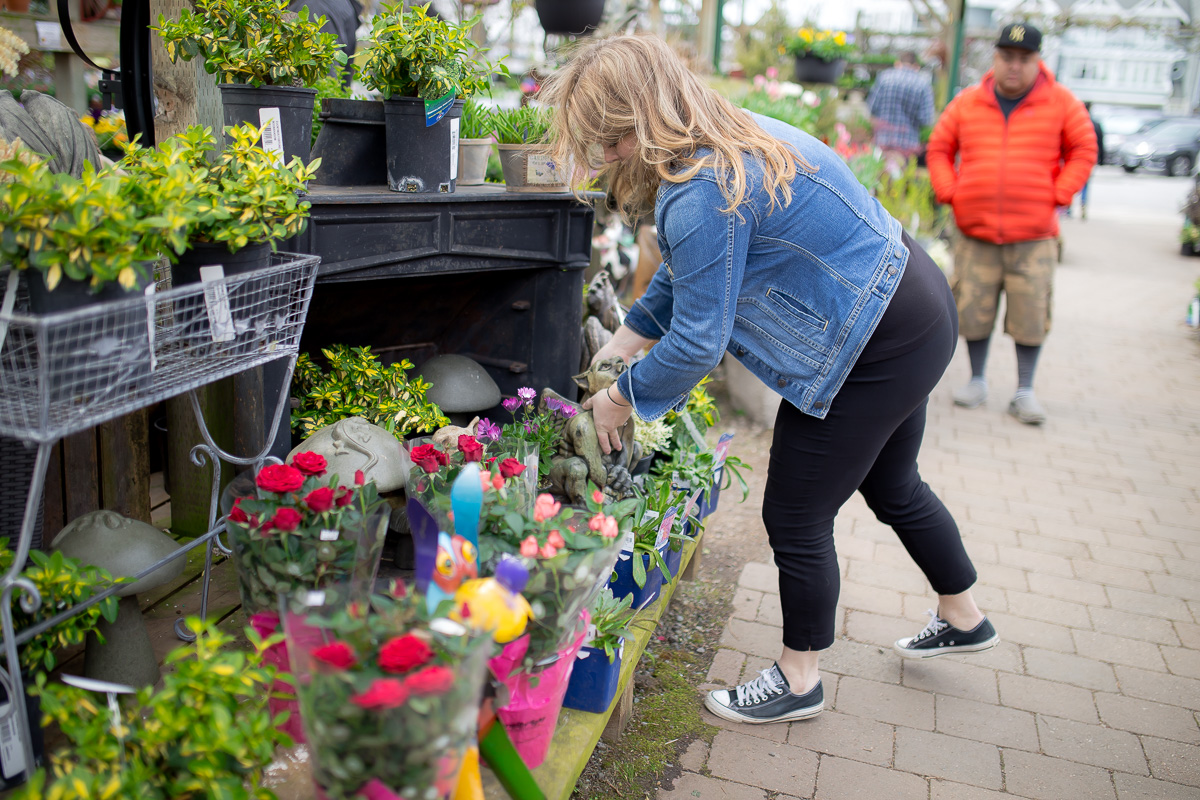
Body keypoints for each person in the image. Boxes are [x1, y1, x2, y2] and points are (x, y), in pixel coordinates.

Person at [540, 35, 998, 726]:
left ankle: (800, 678)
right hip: (912, 302)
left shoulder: (700, 190)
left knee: (795, 513)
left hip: (873, 343)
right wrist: (629, 336)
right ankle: (964, 616)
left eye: (610, 139)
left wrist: (619, 400)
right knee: (893, 482)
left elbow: (700, 338)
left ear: (640, 118)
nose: (605, 157)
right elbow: (694, 269)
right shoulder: (723, 137)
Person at [926, 22, 1097, 425]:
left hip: (1033, 237)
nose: (1014, 66)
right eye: (1007, 57)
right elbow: (939, 147)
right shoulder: (968, 102)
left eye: (1024, 59)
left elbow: (1085, 148)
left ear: (1038, 61)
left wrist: (1059, 195)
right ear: (995, 58)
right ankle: (977, 380)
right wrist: (951, 191)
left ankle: (1025, 390)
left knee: (1031, 314)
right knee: (973, 310)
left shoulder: (1062, 103)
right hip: (976, 232)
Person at [867, 51, 935, 176]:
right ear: (916, 66)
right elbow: (926, 120)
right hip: (907, 148)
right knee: (900, 185)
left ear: (897, 63)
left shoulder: (884, 78)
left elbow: (872, 108)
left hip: (882, 142)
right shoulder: (923, 84)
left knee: (878, 180)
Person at [1079, 102, 1104, 220]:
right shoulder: (1096, 124)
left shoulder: (1076, 122)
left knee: (1072, 181)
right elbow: (1101, 143)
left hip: (1076, 158)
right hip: (1090, 158)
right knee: (1085, 184)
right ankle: (1083, 204)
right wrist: (1102, 159)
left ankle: (1067, 208)